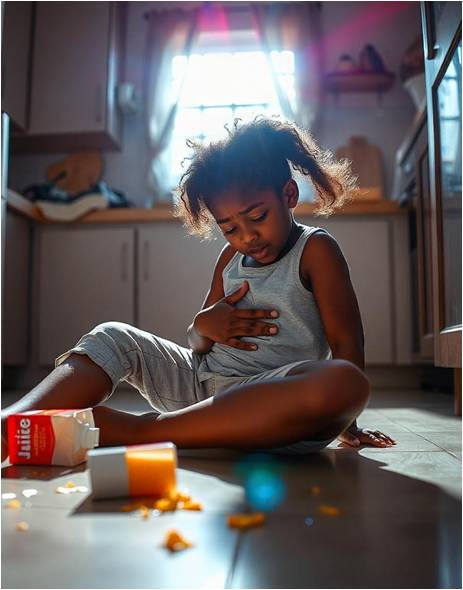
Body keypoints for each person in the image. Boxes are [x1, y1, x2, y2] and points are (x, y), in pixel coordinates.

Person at [1, 117, 395, 461]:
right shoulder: (229, 259)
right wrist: (205, 326)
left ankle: (143, 433)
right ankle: (12, 423)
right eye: (229, 228)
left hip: (274, 405)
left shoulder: (316, 250)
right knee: (113, 336)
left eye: (257, 216)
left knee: (345, 382)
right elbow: (196, 343)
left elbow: (348, 342)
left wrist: (347, 421)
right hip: (200, 389)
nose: (246, 236)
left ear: (288, 195)